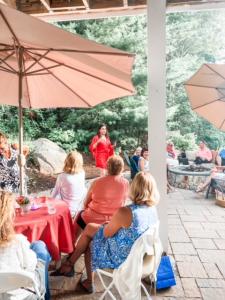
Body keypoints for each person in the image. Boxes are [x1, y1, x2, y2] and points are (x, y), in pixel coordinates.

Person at [52, 172, 159, 293]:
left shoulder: (126, 212)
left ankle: (80, 274)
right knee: (91, 229)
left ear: (134, 187)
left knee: (91, 242)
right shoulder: (152, 209)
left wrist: (108, 224)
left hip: (124, 259)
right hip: (143, 257)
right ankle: (72, 267)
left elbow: (107, 233)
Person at [0, 191, 51, 299]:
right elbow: (31, 265)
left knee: (37, 246)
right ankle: (45, 296)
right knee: (40, 249)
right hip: (22, 295)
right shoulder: (17, 242)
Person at [76, 155, 129, 228]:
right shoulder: (125, 183)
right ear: (121, 168)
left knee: (79, 216)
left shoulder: (96, 182)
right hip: (114, 221)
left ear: (107, 167)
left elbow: (85, 203)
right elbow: (123, 203)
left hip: (92, 219)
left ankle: (72, 238)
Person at [51, 151, 87, 217]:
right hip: (79, 208)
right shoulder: (82, 173)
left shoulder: (62, 176)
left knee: (56, 192)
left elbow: (55, 192)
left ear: (66, 162)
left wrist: (49, 203)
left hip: (68, 210)